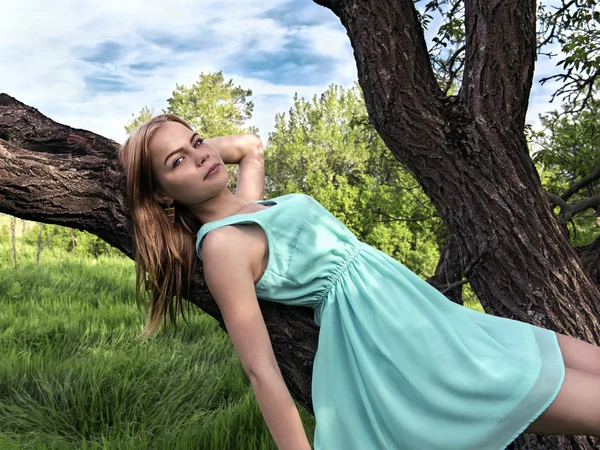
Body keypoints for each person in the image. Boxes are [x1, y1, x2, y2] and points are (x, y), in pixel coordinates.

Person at [118, 114, 600, 450]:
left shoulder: (252, 205)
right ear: (160, 196)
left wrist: (188, 151)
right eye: (176, 162)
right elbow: (260, 370)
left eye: (198, 141)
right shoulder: (223, 246)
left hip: (432, 317)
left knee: (580, 358)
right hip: (401, 342)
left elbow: (249, 146)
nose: (201, 156)